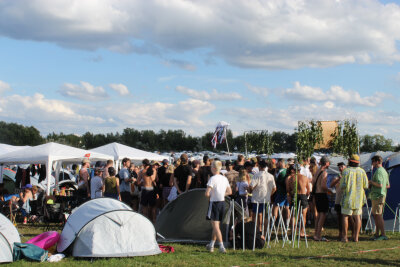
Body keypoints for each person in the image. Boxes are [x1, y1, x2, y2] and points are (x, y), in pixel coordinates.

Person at [340, 154, 368, 242]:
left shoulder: (346, 171)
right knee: (357, 217)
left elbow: (342, 186)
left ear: (350, 161)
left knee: (345, 216)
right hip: (359, 198)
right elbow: (366, 185)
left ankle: (345, 237)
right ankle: (356, 237)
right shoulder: (362, 171)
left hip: (348, 197)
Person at [205, 160, 231, 253]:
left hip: (214, 203)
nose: (210, 168)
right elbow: (230, 192)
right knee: (216, 225)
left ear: (214, 168)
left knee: (215, 226)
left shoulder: (212, 178)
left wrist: (211, 196)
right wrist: (221, 194)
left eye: (211, 166)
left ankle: (221, 246)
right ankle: (211, 245)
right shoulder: (224, 178)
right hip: (222, 203)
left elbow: (207, 193)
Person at [249, 160, 276, 232]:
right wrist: (269, 194)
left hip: (257, 199)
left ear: (259, 167)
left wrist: (250, 190)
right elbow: (274, 188)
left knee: (256, 216)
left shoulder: (256, 175)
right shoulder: (271, 176)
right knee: (266, 216)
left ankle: (257, 230)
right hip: (266, 199)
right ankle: (265, 232)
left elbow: (251, 186)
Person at [369, 155, 390, 241]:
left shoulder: (379, 172)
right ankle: (377, 233)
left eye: (373, 161)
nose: (372, 164)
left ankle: (383, 234)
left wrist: (371, 182)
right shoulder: (384, 171)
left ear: (377, 162)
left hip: (378, 196)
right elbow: (388, 185)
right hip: (380, 195)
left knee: (378, 215)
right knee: (376, 214)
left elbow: (380, 185)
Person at [286, 164, 310, 237]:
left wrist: (291, 194)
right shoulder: (305, 177)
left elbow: (288, 190)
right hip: (303, 195)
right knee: (303, 214)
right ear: (300, 170)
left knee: (293, 214)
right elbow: (308, 190)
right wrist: (306, 195)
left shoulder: (291, 178)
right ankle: (302, 232)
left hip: (295, 195)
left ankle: (293, 232)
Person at [330, 162, 351, 240]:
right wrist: (338, 179)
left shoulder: (348, 176)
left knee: (348, 217)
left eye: (342, 166)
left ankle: (349, 233)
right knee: (339, 217)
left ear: (345, 167)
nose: (340, 168)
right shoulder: (337, 176)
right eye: (339, 167)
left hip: (346, 199)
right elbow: (331, 185)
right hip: (338, 200)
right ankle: (340, 233)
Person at [312, 156, 330, 241]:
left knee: (319, 215)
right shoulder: (324, 173)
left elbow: (313, 183)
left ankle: (316, 234)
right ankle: (318, 235)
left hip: (316, 194)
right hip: (322, 194)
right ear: (326, 163)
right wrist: (330, 190)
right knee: (322, 215)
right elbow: (323, 186)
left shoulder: (317, 172)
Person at [273, 158, 289, 225]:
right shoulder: (287, 171)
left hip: (281, 192)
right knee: (287, 208)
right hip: (287, 192)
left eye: (278, 162)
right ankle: (286, 223)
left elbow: (275, 180)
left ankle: (273, 223)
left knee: (275, 207)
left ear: (282, 163)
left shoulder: (280, 171)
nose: (277, 164)